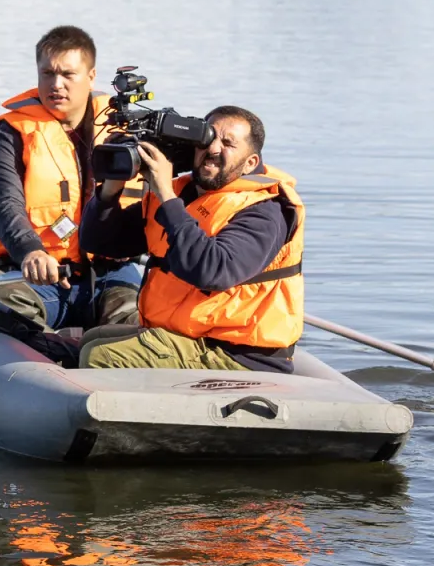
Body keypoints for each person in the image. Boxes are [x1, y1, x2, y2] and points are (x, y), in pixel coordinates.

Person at [76, 106, 304, 372]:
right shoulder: (187, 195)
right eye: (208, 139)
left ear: (251, 163)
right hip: (190, 336)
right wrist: (113, 186)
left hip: (237, 354)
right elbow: (100, 242)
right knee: (92, 339)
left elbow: (214, 271)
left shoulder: (265, 210)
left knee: (100, 356)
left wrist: (165, 194)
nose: (214, 149)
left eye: (228, 143)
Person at [0, 25, 145, 331]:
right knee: (1, 309)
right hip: (37, 276)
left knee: (138, 319)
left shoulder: (127, 131)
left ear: (91, 77)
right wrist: (31, 250)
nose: (56, 85)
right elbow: (4, 204)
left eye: (68, 75)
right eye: (47, 74)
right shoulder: (11, 133)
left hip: (111, 274)